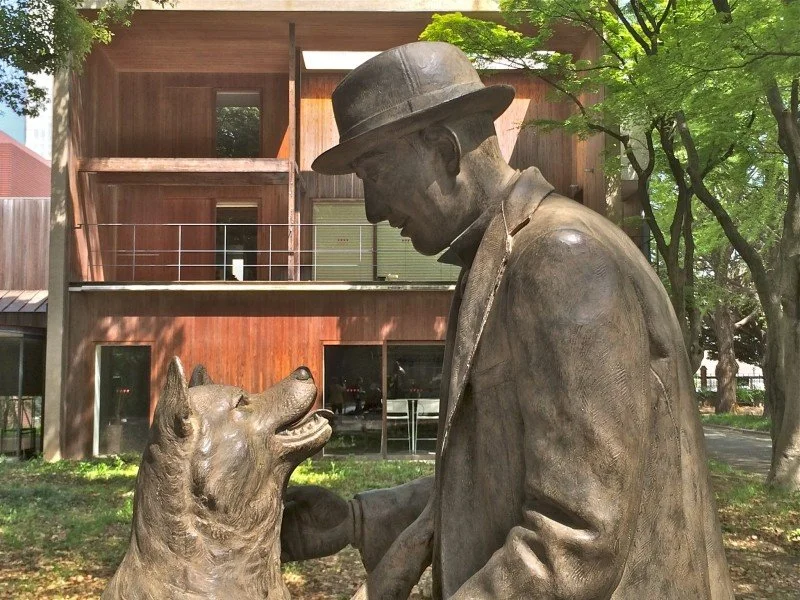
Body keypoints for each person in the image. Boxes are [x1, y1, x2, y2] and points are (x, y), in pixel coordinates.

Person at [281, 42, 734, 599]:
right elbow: (498, 477)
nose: (372, 209)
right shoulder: (502, 256)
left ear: (444, 149)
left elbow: (576, 539)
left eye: (375, 174)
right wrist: (356, 520)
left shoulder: (559, 257)